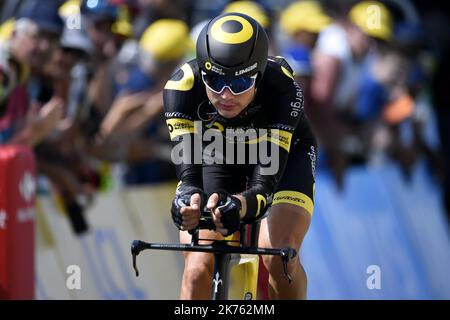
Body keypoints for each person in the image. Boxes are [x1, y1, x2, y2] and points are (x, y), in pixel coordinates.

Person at [163, 13, 317, 299]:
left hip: (284, 159)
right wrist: (187, 205)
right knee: (197, 265)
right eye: (215, 80)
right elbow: (189, 178)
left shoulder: (283, 89)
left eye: (240, 84)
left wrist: (240, 205)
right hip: (219, 156)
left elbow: (263, 188)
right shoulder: (181, 88)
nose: (225, 94)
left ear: (258, 76)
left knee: (277, 253)